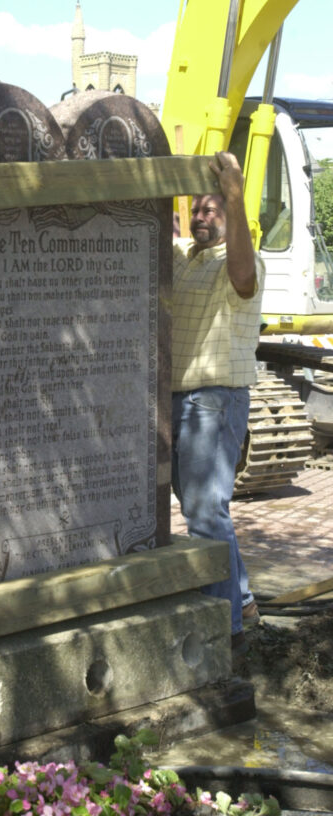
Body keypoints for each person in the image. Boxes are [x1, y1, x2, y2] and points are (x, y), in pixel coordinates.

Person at [171, 150, 264, 655]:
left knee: (207, 509)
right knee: (199, 508)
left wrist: (235, 194)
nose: (203, 217)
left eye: (214, 211)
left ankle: (226, 632)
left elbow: (244, 276)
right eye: (198, 209)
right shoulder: (183, 258)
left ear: (231, 219)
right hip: (177, 397)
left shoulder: (243, 262)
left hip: (214, 399)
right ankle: (244, 599)